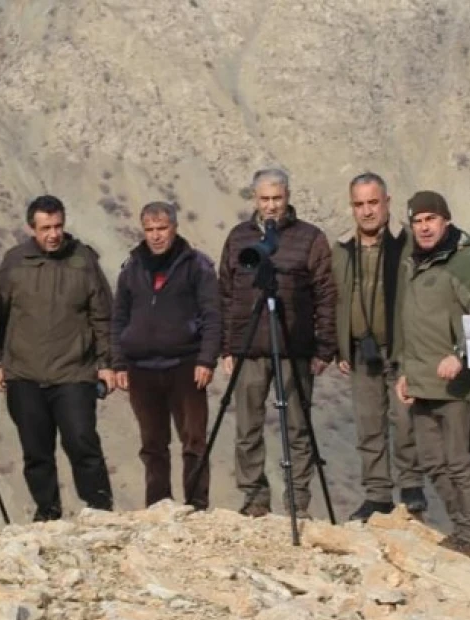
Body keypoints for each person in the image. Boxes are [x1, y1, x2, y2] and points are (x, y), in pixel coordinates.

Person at [218, 168, 338, 518]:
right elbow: (225, 293)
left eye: (277, 198)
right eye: (265, 199)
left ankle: (298, 503)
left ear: (288, 197)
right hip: (248, 349)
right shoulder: (239, 237)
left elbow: (326, 295)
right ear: (254, 199)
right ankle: (254, 498)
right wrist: (227, 348)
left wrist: (324, 348)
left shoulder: (309, 238)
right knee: (247, 428)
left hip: (294, 347)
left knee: (298, 429)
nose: (271, 206)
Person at [0, 194, 115, 522]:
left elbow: (103, 315)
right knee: (36, 451)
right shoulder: (15, 262)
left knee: (82, 441)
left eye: (58, 226)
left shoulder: (83, 259)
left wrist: (107, 364)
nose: (54, 234)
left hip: (73, 371)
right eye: (46, 228)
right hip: (24, 373)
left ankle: (100, 508)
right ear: (32, 228)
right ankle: (48, 513)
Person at [394, 190, 470, 560]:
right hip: (422, 383)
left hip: (456, 386)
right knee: (434, 462)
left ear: (446, 221)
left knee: (460, 463)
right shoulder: (415, 262)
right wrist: (405, 371)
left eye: (430, 219)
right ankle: (462, 530)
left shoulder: (465, 263)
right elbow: (412, 323)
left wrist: (460, 355)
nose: (424, 227)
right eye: (417, 221)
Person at [111, 201, 221, 510]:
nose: (156, 236)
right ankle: (158, 505)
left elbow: (212, 315)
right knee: (152, 444)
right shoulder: (132, 267)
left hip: (185, 365)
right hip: (141, 369)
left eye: (162, 229)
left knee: (194, 440)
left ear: (174, 227)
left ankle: (197, 505)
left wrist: (206, 359)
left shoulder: (196, 265)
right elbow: (118, 317)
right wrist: (118, 361)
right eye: (150, 230)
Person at [332, 173, 426, 521]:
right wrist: (338, 346)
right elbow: (334, 299)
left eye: (373, 202)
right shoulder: (341, 249)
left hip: (401, 349)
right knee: (368, 424)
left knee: (405, 420)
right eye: (360, 204)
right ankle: (378, 494)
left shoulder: (408, 243)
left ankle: (412, 486)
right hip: (360, 351)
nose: (367, 211)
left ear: (387, 202)